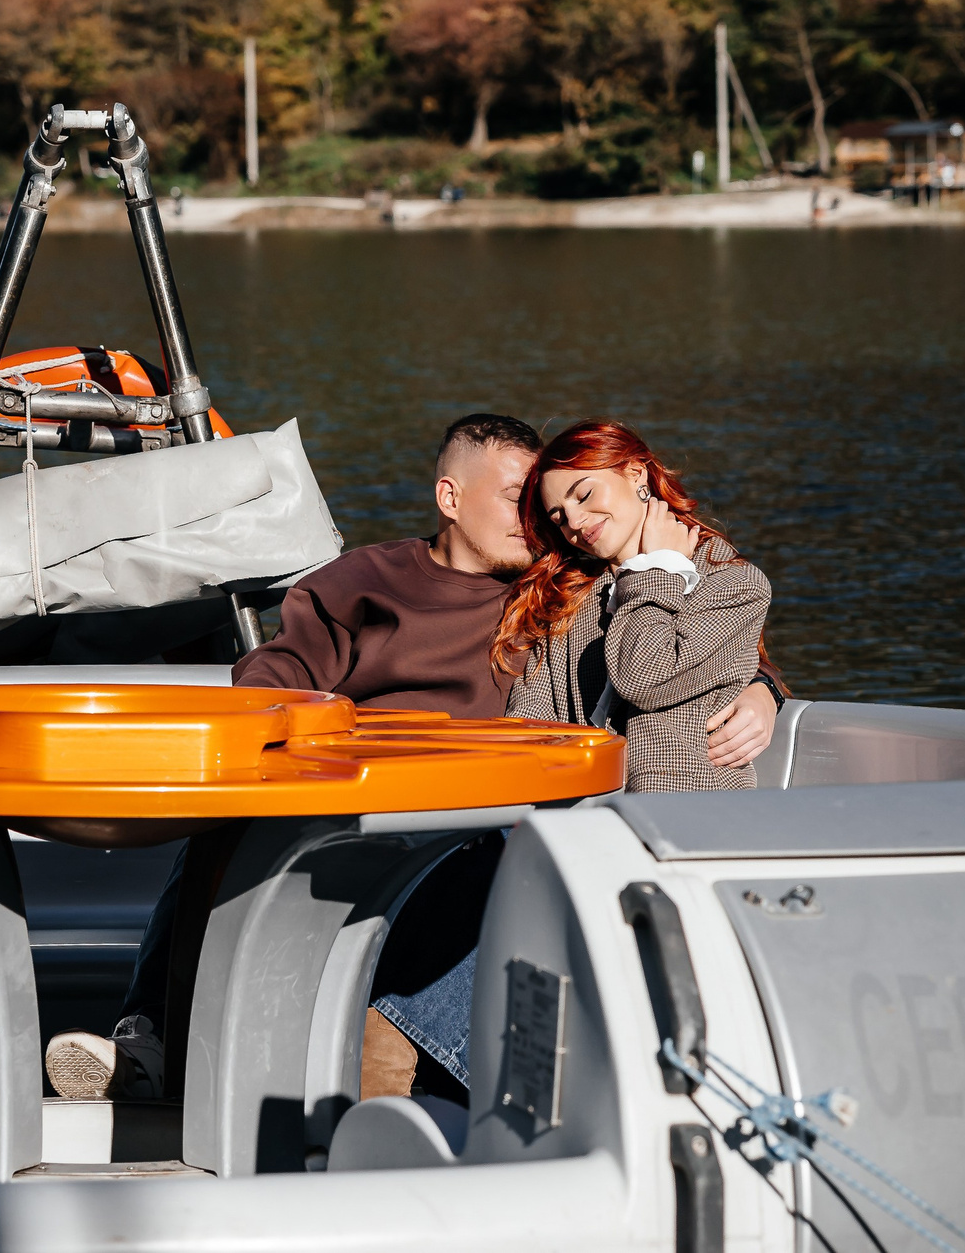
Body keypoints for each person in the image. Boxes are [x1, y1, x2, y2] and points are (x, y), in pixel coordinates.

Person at [43, 413, 782, 1100]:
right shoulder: (364, 582)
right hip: (349, 797)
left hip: (468, 813)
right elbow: (274, 678)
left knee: (482, 868)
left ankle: (387, 1078)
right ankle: (157, 1041)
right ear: (450, 496)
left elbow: (683, 630)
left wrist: (763, 688)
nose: (543, 522)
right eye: (523, 500)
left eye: (549, 508)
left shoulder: (554, 586)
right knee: (228, 825)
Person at [501, 420, 768, 792]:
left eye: (584, 494)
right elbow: (531, 718)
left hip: (687, 811)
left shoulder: (735, 583)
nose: (575, 522)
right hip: (585, 813)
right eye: (558, 517)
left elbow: (644, 679)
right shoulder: (565, 599)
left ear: (634, 472)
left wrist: (657, 566)